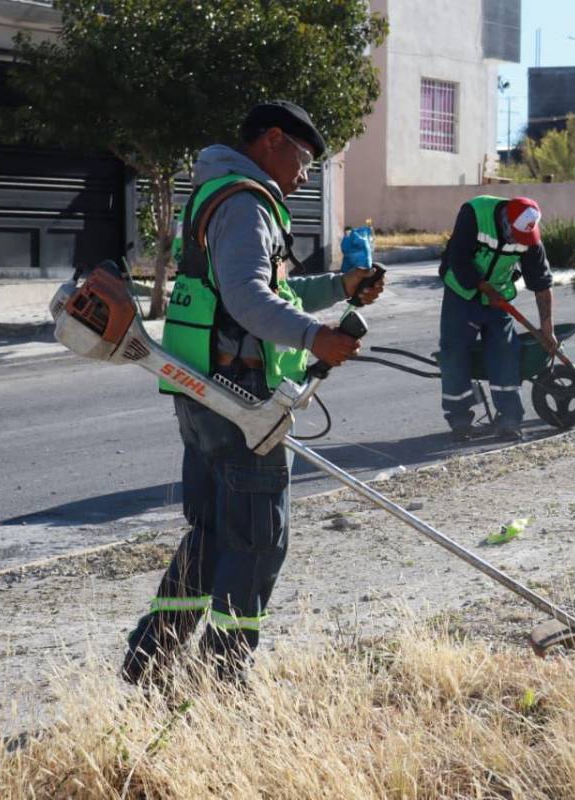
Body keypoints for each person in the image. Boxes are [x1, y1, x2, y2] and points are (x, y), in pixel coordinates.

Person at [122, 102, 384, 685]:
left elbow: (264, 293)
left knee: (214, 536)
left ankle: (152, 661)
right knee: (259, 542)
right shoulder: (246, 203)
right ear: (272, 140)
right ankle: (222, 677)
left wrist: (341, 287)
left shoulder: (220, 193)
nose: (307, 174)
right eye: (305, 158)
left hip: (205, 394)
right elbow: (247, 301)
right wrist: (317, 337)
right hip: (241, 404)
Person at [438, 196, 555, 442]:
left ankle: (510, 420)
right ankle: (459, 419)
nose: (518, 242)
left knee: (505, 351)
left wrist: (547, 329)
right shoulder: (474, 213)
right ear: (504, 221)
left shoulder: (529, 234)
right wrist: (484, 289)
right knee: (454, 351)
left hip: (499, 296)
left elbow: (541, 284)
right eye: (514, 235)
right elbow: (458, 260)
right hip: (462, 292)